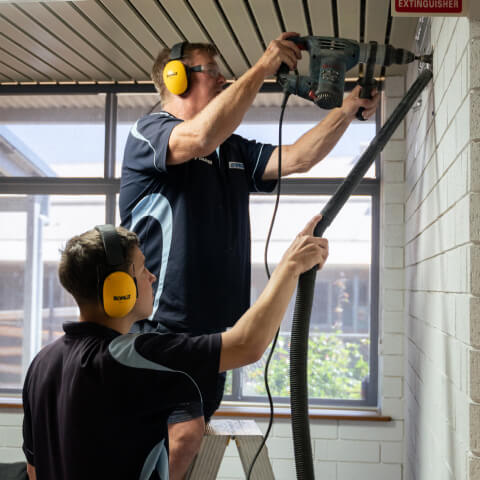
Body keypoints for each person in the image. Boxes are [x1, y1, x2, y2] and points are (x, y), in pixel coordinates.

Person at [119, 32, 379, 478]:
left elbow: (298, 158)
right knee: (183, 436)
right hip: (163, 328)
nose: (222, 80)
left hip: (216, 331)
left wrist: (346, 110)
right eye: (212, 72)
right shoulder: (150, 134)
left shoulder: (232, 149)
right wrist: (262, 69)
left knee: (180, 443)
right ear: (175, 77)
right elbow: (197, 137)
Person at [22, 218, 328, 480]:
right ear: (118, 289)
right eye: (142, 270)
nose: (151, 276)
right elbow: (246, 344)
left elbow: (34, 469)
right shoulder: (128, 357)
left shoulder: (41, 363)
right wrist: (290, 267)